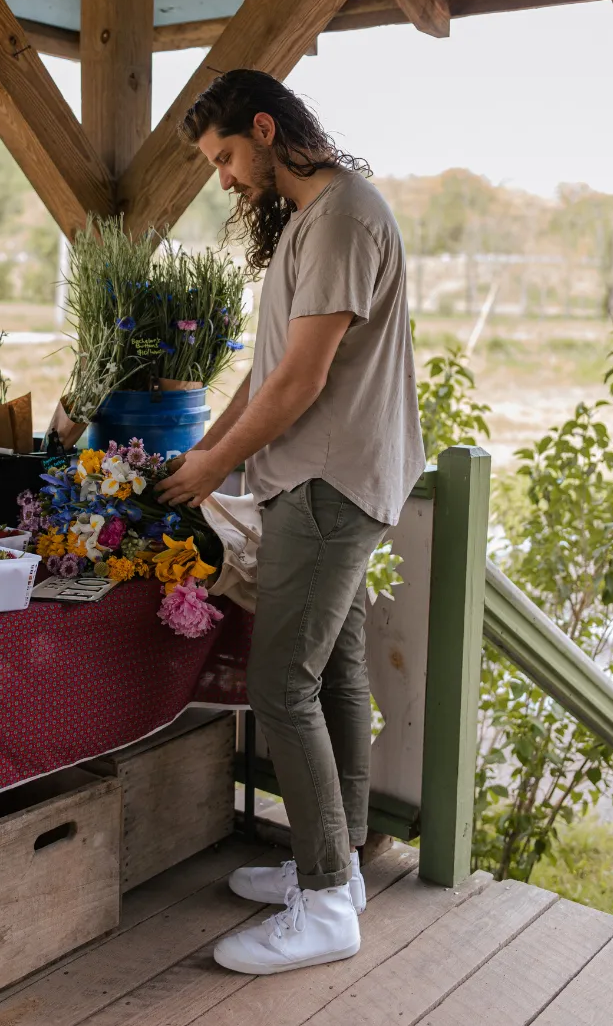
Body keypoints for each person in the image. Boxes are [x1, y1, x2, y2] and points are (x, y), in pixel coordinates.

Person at [156, 69, 425, 975]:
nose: (224, 177)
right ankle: (336, 871)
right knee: (335, 674)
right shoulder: (316, 223)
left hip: (325, 480)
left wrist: (215, 466)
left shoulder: (343, 217)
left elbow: (304, 385)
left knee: (281, 685)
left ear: (266, 130)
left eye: (226, 155)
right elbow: (267, 374)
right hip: (325, 477)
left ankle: (322, 907)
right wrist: (207, 449)